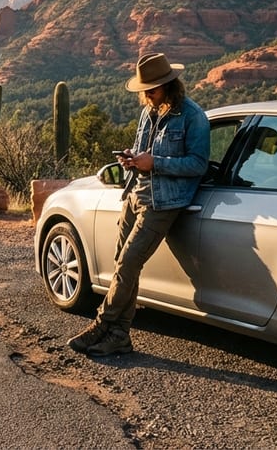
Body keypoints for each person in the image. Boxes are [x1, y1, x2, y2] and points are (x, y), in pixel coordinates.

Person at [68, 53, 210, 356]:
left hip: (164, 202)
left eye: (152, 89)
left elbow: (198, 164)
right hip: (135, 193)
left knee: (129, 263)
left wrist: (154, 162)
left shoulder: (192, 116)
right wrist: (133, 158)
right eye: (144, 90)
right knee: (124, 264)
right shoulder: (149, 112)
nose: (146, 95)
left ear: (169, 85)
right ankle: (120, 335)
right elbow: (145, 151)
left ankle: (101, 325)